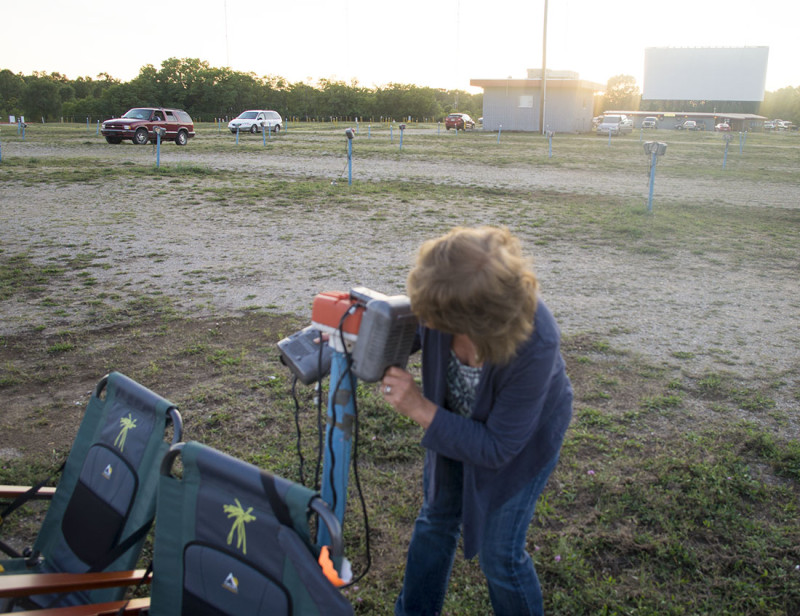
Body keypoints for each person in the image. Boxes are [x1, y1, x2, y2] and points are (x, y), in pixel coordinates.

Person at [381, 226, 573, 616]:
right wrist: (354, 334)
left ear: (474, 320)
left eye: (435, 316)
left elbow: (497, 447)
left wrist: (420, 408)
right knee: (436, 519)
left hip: (519, 443)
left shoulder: (536, 344)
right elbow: (408, 328)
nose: (425, 320)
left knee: (500, 554)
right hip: (454, 420)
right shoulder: (445, 299)